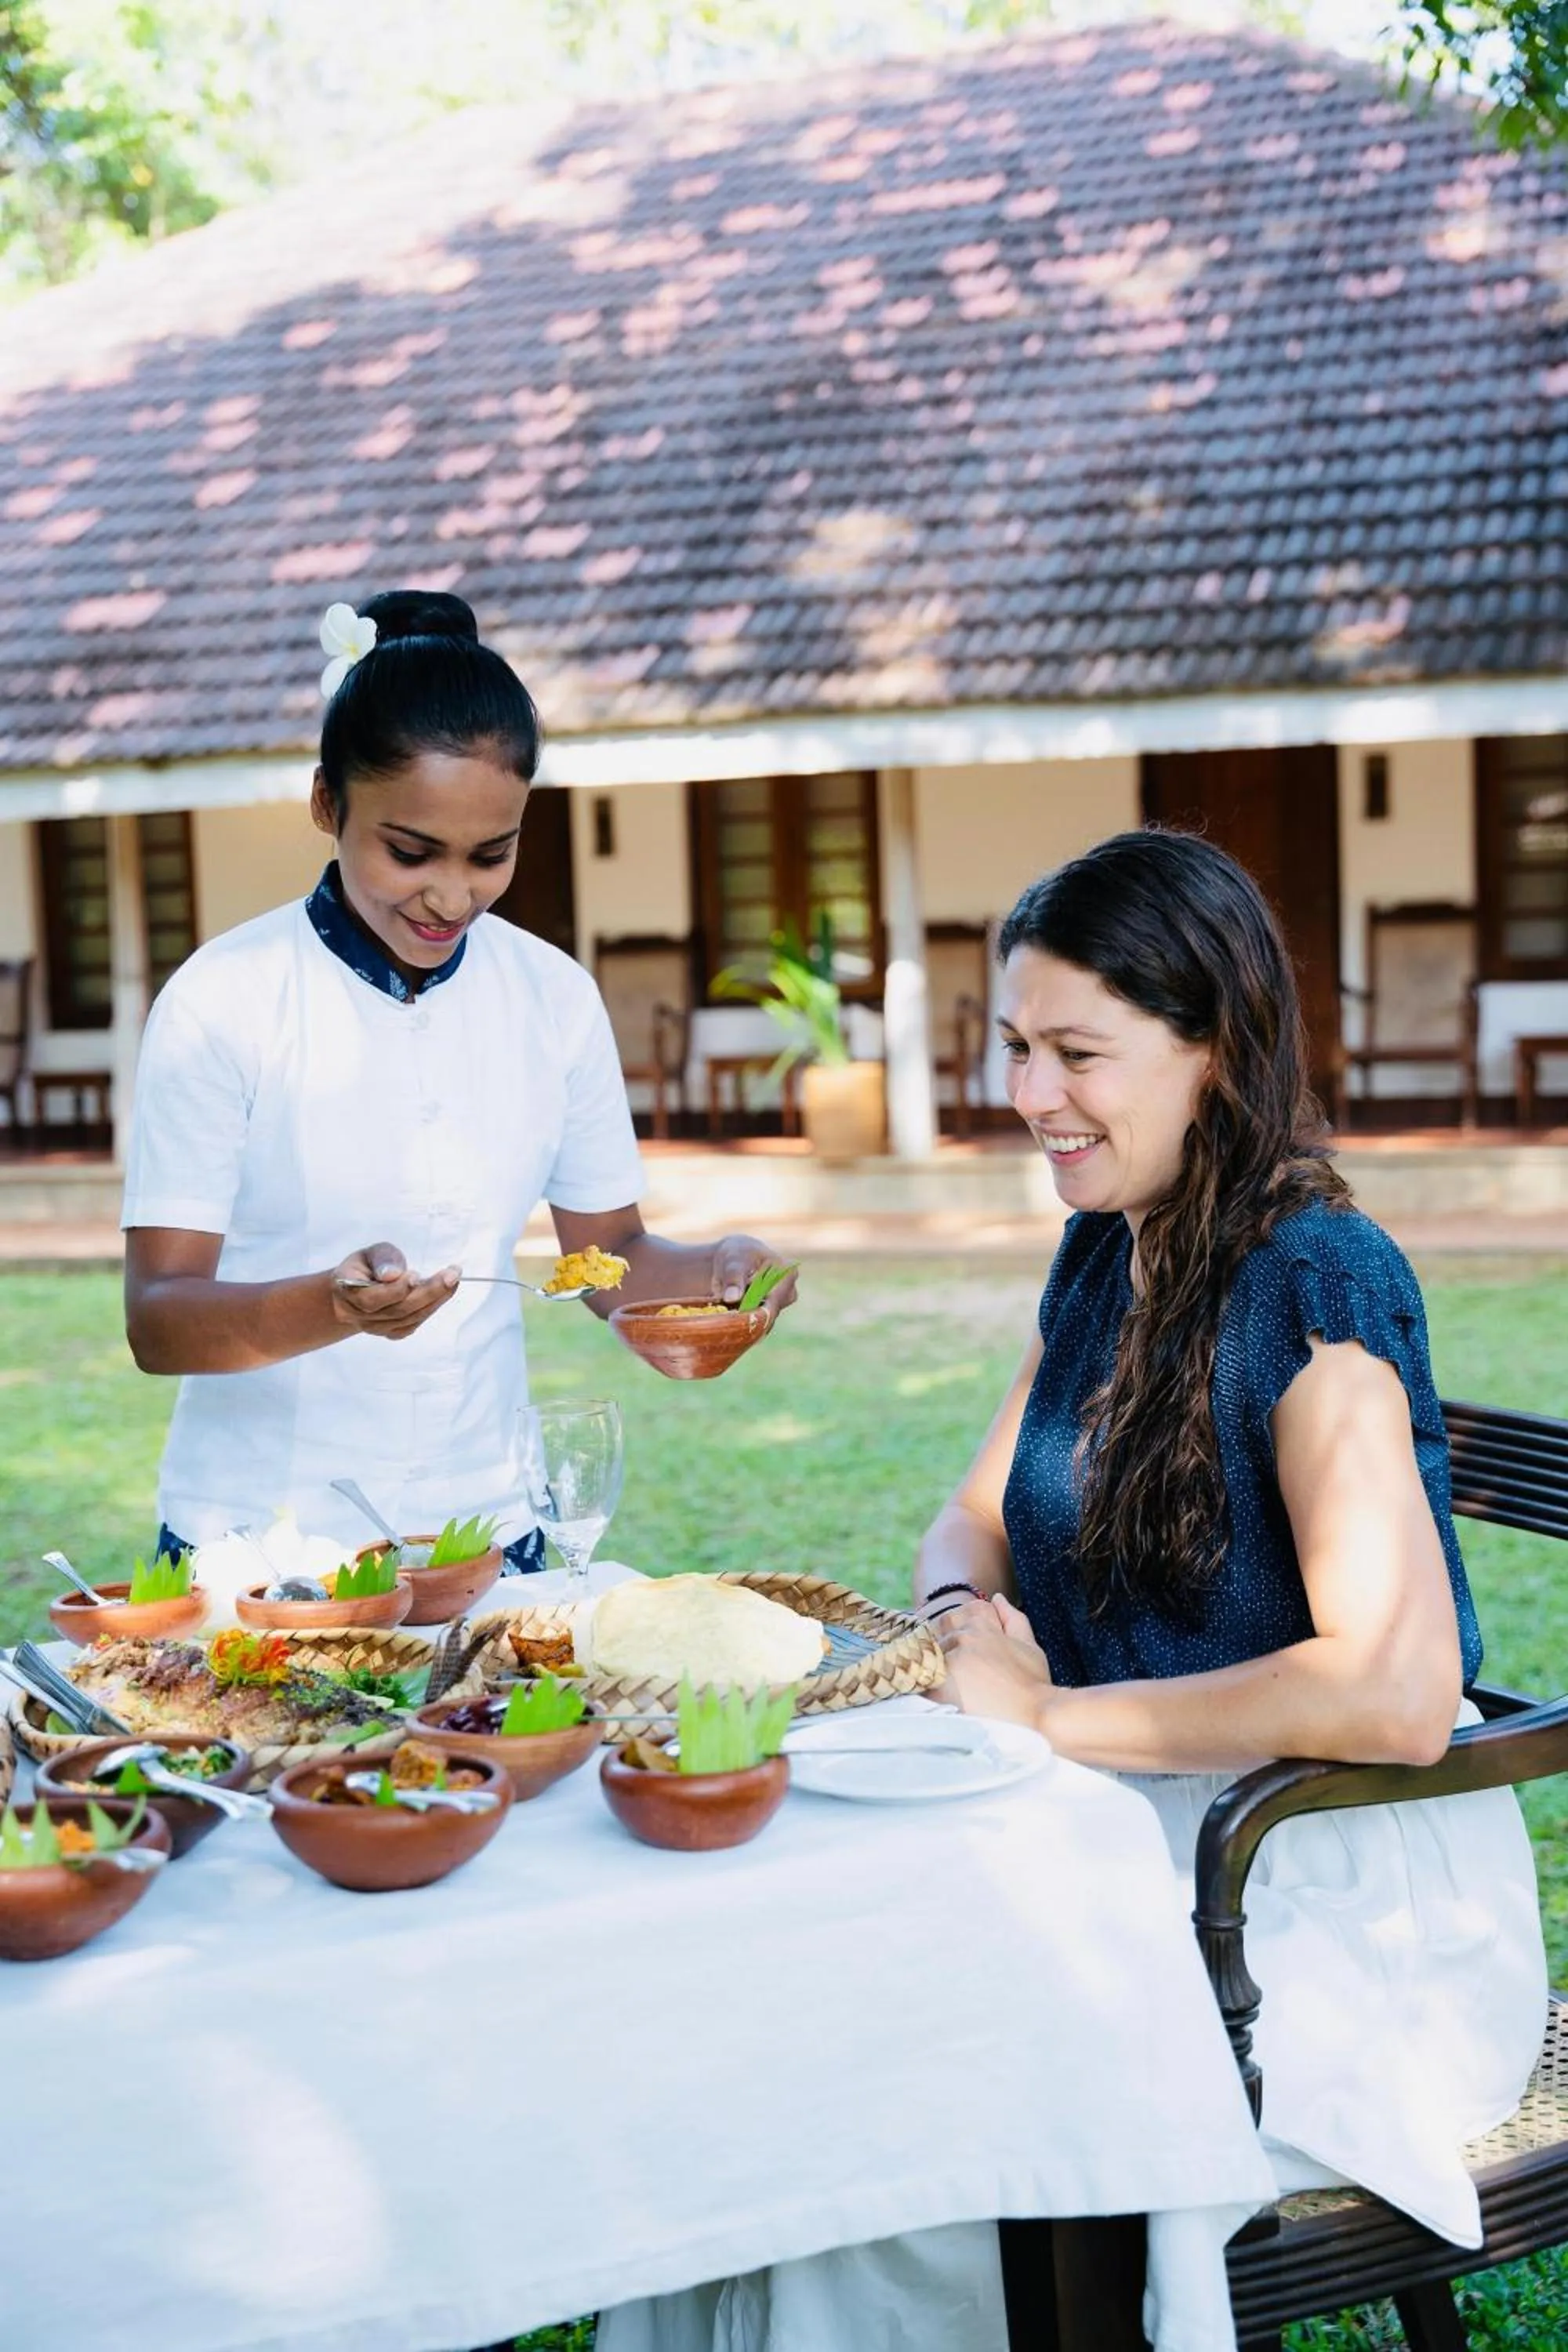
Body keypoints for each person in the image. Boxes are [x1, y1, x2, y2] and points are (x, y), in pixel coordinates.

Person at [600, 829, 1547, 2352]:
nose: (1028, 1096)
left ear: (1213, 1051)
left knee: (907, 2106)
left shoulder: (1320, 1278)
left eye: (1076, 1054)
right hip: (1129, 1834)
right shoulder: (1108, 1255)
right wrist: (965, 1620)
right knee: (787, 2022)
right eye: (1016, 1046)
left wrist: (1046, 1723)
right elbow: (967, 1518)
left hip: (1321, 1891)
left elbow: (1391, 1690)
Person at [122, 590, 793, 1564]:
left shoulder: (553, 996)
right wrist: (334, 1306)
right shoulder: (223, 999)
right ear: (326, 804)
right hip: (263, 1543)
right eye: (409, 851)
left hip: (486, 1531)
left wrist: (721, 1272)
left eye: (493, 854)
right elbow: (158, 1322)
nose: (450, 896)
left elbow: (608, 1261)